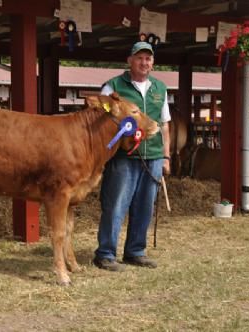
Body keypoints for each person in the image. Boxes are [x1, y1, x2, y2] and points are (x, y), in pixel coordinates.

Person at [92, 41, 171, 272]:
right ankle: (105, 254)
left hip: (153, 156)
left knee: (144, 206)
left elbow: (165, 124)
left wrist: (166, 157)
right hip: (123, 157)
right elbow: (99, 119)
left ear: (153, 63)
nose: (144, 62)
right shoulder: (113, 86)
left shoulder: (160, 88)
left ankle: (135, 251)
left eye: (148, 59)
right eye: (139, 58)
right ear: (129, 60)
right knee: (116, 204)